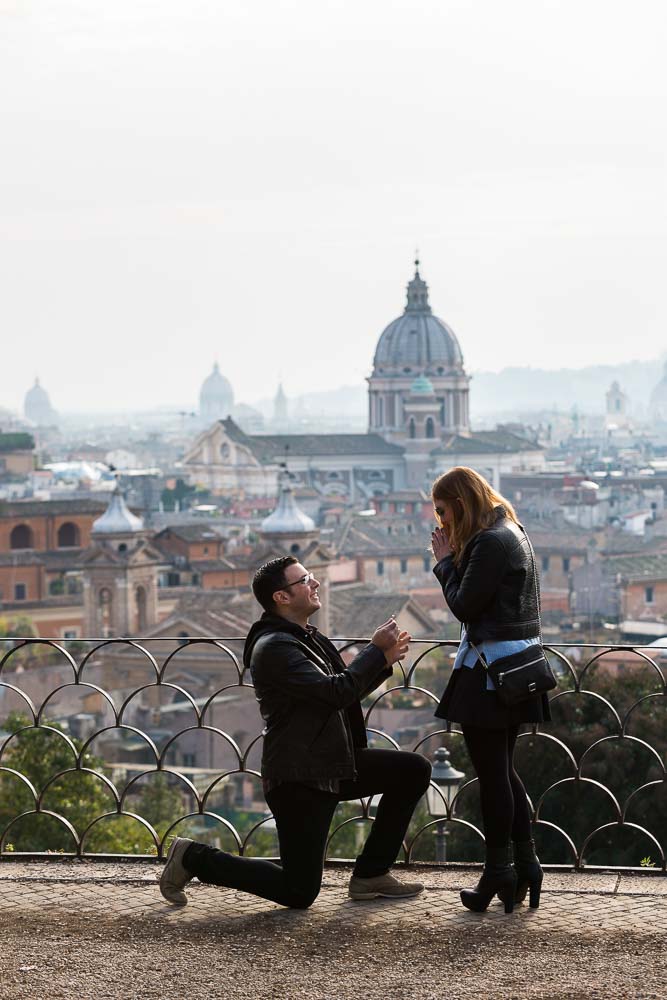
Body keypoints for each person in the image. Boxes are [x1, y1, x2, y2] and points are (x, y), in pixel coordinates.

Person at [160, 555, 431, 909]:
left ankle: (371, 874)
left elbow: (337, 693)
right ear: (281, 597)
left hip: (332, 762)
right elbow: (335, 692)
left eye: (312, 577)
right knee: (299, 890)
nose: (315, 584)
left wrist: (381, 661)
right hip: (299, 775)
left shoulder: (303, 638)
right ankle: (193, 857)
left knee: (413, 771)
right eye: (304, 580)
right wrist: (374, 652)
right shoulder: (275, 648)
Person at [430, 466, 549, 914]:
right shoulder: (512, 530)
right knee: (504, 771)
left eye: (443, 511)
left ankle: (499, 871)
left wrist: (444, 562)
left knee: (493, 775)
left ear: (460, 504)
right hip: (518, 668)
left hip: (489, 675)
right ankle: (525, 862)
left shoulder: (490, 541)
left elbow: (464, 605)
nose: (440, 522)